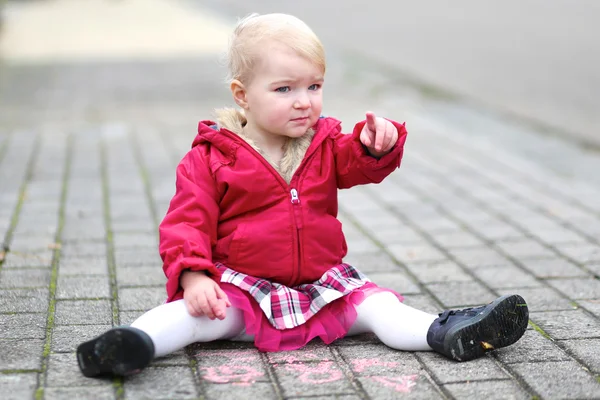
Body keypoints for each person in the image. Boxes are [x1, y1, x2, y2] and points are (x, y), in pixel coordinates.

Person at [76, 13, 529, 378]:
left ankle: (447, 331)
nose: (303, 101)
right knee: (190, 317)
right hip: (244, 291)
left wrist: (376, 146)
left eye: (313, 86)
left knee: (379, 308)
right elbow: (186, 223)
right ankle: (131, 344)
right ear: (243, 95)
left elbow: (356, 164)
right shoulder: (212, 158)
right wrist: (195, 277)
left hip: (318, 288)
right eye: (284, 89)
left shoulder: (325, 144)